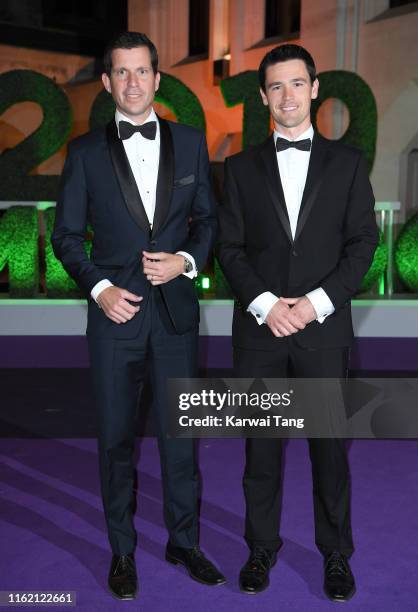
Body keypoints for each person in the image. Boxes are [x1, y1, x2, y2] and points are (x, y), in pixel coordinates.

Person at [52, 31, 224, 600]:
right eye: (120, 73)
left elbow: (209, 223)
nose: (131, 83)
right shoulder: (82, 153)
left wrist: (186, 260)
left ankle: (184, 541)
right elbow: (67, 237)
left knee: (182, 439)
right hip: (114, 319)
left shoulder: (192, 143)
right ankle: (122, 551)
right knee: (115, 440)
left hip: (175, 317)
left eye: (141, 71)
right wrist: (99, 288)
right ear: (106, 83)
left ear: (157, 77)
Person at [217, 44, 378, 601]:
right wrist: (266, 303)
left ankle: (336, 555)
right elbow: (229, 248)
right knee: (260, 451)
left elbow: (363, 245)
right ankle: (260, 548)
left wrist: (314, 304)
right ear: (262, 98)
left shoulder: (350, 164)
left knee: (329, 451)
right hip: (260, 336)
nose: (286, 96)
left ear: (315, 88)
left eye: (296, 84)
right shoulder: (237, 169)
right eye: (275, 87)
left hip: (323, 333)